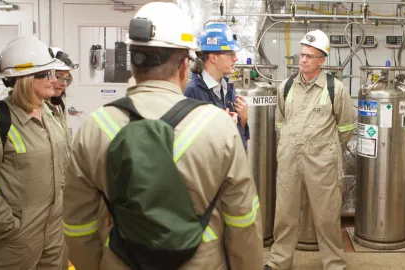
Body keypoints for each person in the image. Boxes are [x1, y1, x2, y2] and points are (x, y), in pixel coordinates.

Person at [62, 2, 263, 270]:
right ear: (183, 65)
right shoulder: (217, 127)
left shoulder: (93, 128)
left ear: (132, 62)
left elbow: (78, 227)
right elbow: (243, 222)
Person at [0, 36, 68, 270]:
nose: (55, 80)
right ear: (25, 78)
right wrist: (9, 228)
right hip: (16, 237)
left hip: (54, 231)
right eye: (46, 74)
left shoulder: (50, 113)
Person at [264, 29, 354, 270]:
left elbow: (346, 127)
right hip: (290, 160)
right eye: (301, 55)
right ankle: (279, 261)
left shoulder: (335, 89)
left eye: (309, 56)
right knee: (284, 214)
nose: (303, 60)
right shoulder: (286, 86)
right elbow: (282, 122)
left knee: (326, 217)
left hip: (322, 162)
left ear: (322, 60)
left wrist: (326, 149)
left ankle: (334, 263)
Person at [184, 22, 249, 150]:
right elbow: (189, 146)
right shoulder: (192, 93)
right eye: (230, 53)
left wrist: (243, 118)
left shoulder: (227, 88)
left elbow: (239, 136)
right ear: (213, 58)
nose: (235, 58)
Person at [47, 47, 75, 149]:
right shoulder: (35, 109)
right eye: (59, 77)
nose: (64, 84)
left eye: (66, 79)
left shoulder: (58, 104)